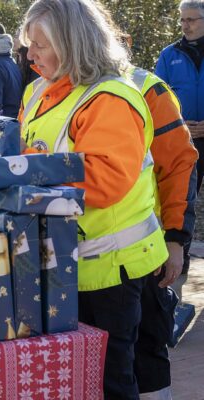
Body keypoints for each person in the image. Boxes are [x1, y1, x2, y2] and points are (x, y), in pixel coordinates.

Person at [16, 1, 169, 398]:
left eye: (40, 46)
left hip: (108, 270)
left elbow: (102, 182)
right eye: (29, 44)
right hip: (64, 266)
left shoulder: (110, 98)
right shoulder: (39, 91)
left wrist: (18, 167)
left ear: (72, 44)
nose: (30, 55)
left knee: (109, 382)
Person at [126, 65, 198, 400]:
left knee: (148, 346)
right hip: (78, 254)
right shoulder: (46, 86)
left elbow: (179, 167)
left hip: (144, 247)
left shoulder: (145, 87)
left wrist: (176, 239)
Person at [155, 0, 204, 300]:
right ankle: (179, 258)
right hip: (181, 139)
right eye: (182, 20)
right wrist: (181, 125)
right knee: (183, 198)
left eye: (192, 20)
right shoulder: (169, 55)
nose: (185, 25)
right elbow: (159, 95)